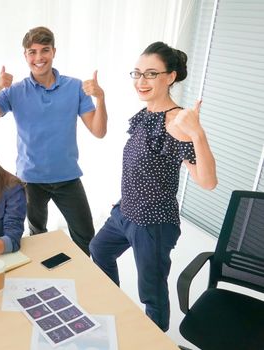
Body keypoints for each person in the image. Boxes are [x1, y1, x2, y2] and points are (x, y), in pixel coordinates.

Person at [89, 42, 217, 331]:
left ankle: (154, 340)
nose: (141, 81)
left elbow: (207, 182)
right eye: (137, 73)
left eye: (150, 74)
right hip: (125, 212)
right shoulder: (146, 115)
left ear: (170, 77)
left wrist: (198, 134)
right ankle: (115, 310)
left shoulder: (176, 121)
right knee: (99, 249)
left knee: (152, 293)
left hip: (153, 223)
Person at [0, 26, 107, 257]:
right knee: (37, 236)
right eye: (32, 52)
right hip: (30, 180)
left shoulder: (75, 87)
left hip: (67, 177)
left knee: (86, 237)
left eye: (44, 50)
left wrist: (100, 97)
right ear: (25, 56)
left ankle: (84, 282)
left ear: (53, 51)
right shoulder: (14, 92)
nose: (39, 58)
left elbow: (99, 131)